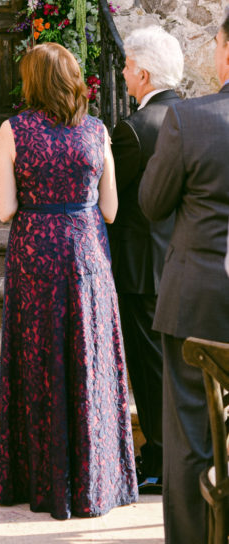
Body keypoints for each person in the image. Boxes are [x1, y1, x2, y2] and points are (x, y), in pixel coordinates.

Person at [0, 42, 137, 520]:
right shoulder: (97, 131)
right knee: (88, 360)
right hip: (86, 255)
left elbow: (4, 209)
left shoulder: (13, 130)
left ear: (31, 82)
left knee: (38, 361)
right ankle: (96, 477)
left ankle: (40, 478)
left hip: (35, 252)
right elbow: (112, 210)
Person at [139, 11, 229, 544]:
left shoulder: (190, 121)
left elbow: (152, 204)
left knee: (193, 433)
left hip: (199, 296)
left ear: (225, 51)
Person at [109, 25, 183, 495]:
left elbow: (113, 203)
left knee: (149, 370)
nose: (122, 72)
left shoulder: (133, 129)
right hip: (181, 262)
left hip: (140, 269)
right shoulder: (191, 116)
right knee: (175, 368)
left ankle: (157, 460)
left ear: (144, 72)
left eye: (128, 66)